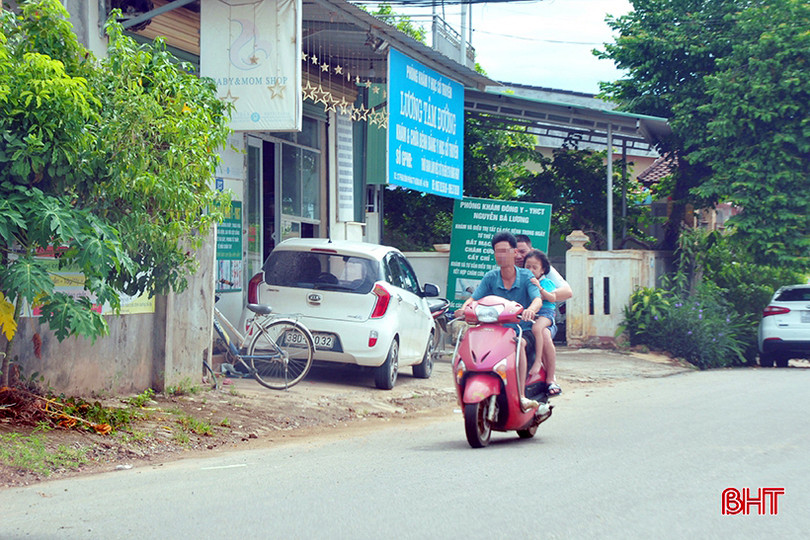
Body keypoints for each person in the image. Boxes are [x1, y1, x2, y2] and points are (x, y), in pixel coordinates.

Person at [455, 231, 543, 411]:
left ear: (514, 252)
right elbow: (474, 299)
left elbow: (537, 299)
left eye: (505, 251)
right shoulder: (490, 277)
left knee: (519, 346)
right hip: (495, 331)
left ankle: (521, 396)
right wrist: (464, 309)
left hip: (521, 330)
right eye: (497, 251)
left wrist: (530, 311)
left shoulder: (526, 276)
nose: (501, 255)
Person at [514, 234, 572, 396]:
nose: (519, 256)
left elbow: (567, 292)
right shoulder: (507, 270)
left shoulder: (542, 271)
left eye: (523, 252)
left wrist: (541, 291)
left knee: (543, 334)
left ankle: (550, 379)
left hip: (541, 317)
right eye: (515, 252)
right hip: (517, 318)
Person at [523, 249, 562, 396]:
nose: (531, 270)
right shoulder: (522, 282)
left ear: (543, 270)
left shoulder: (547, 282)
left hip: (545, 314)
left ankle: (541, 365)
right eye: (528, 267)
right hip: (528, 315)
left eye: (535, 267)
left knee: (538, 329)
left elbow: (551, 298)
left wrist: (539, 287)